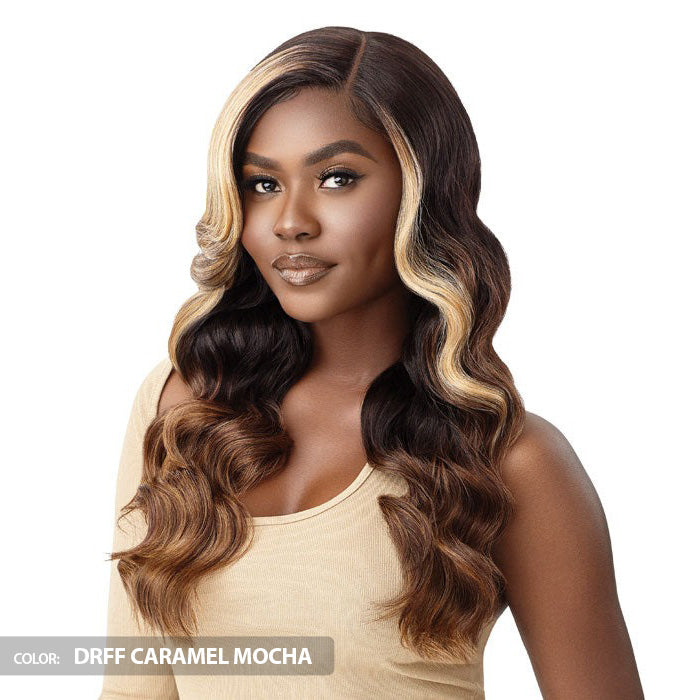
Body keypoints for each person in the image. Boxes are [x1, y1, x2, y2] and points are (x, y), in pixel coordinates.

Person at [99, 26, 644, 699]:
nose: (291, 221)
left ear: (423, 194)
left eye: (337, 178)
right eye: (263, 183)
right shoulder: (182, 407)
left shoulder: (512, 461)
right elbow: (133, 690)